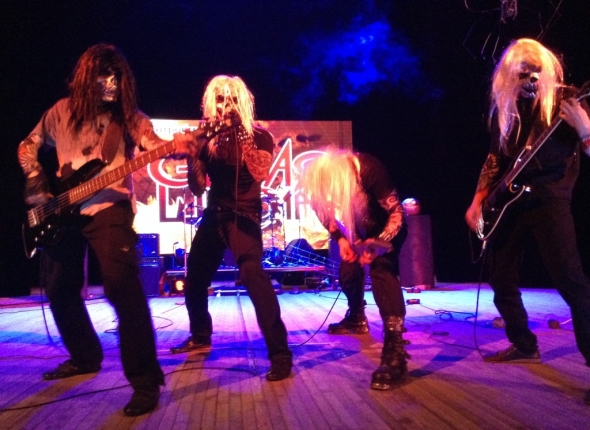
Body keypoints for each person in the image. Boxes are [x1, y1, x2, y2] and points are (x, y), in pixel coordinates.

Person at [17, 44, 190, 416]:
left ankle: (145, 380)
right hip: (64, 211)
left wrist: (176, 147)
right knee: (60, 288)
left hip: (110, 207)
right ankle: (85, 356)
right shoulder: (60, 112)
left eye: (116, 78)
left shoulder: (128, 117)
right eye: (103, 77)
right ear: (86, 77)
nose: (111, 84)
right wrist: (34, 176)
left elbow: (153, 144)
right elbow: (27, 145)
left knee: (120, 284)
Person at [465, 38, 590, 403]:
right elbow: (495, 159)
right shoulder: (506, 108)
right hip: (510, 202)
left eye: (536, 71)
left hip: (550, 198)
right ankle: (523, 343)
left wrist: (585, 130)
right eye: (522, 73)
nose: (530, 79)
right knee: (500, 275)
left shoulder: (569, 99)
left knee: (571, 281)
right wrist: (477, 201)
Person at [170, 75, 293, 381]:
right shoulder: (207, 139)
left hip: (244, 216)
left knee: (253, 275)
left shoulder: (260, 136)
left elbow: (259, 172)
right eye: (220, 100)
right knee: (195, 278)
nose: (226, 106)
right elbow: (198, 188)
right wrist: (192, 156)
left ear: (242, 103)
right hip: (215, 215)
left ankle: (280, 354)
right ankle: (201, 335)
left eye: (232, 100)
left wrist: (239, 132)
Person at [298, 148, 409, 390]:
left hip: (387, 230)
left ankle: (395, 349)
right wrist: (341, 240)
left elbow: (397, 213)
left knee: (381, 270)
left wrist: (378, 243)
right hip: (357, 231)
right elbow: (323, 212)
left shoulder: (368, 170)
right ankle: (356, 317)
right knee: (348, 271)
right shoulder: (320, 181)